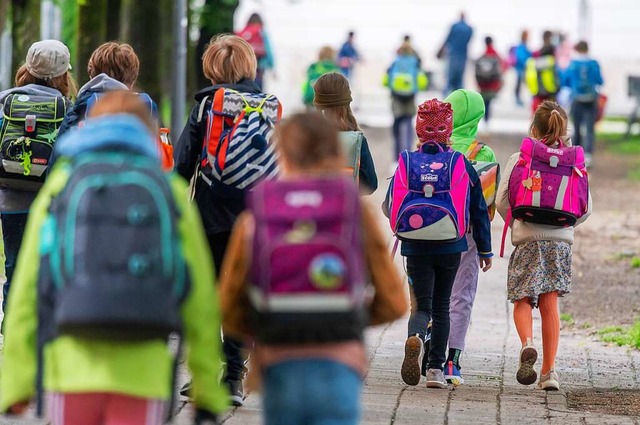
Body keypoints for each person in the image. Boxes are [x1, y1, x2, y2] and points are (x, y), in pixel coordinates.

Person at [0, 92, 228, 424]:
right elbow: (200, 298)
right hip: (144, 374)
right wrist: (207, 386)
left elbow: (28, 288)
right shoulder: (169, 192)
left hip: (70, 372)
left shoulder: (61, 186)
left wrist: (15, 384)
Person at [219, 111, 407, 425]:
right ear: (335, 151)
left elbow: (228, 305)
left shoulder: (259, 214)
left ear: (283, 154)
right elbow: (394, 301)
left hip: (277, 361)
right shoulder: (353, 210)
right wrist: (348, 319)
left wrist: (267, 327)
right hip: (339, 361)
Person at [174, 34, 277, 406]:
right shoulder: (269, 107)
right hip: (256, 215)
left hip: (210, 213)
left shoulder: (208, 105)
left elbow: (184, 162)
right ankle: (233, 376)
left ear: (213, 68)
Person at [384, 99, 493, 388]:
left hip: (415, 245)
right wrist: (485, 249)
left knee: (422, 305)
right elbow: (478, 210)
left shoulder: (407, 161)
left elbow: (389, 204)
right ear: (449, 131)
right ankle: (434, 370)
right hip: (450, 245)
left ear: (419, 131)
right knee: (443, 306)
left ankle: (416, 336)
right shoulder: (460, 163)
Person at [496, 101, 592, 391]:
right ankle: (549, 373)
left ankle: (527, 343)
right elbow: (585, 208)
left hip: (527, 239)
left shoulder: (521, 158)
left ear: (533, 128)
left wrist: (517, 224)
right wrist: (564, 225)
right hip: (559, 241)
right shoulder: (574, 162)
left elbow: (502, 201)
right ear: (565, 129)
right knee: (550, 304)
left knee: (522, 299)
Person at [0, 40, 76, 332]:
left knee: (15, 267)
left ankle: (12, 327)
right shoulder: (66, 108)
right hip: (51, 202)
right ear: (62, 75)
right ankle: (46, 328)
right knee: (49, 268)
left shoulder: (6, 100)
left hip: (11, 202)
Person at [442, 89, 498, 384]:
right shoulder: (483, 154)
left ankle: (427, 345)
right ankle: (452, 361)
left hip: (430, 234)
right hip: (467, 236)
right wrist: (487, 250)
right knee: (460, 296)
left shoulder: (433, 146)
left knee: (432, 293)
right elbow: (487, 206)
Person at [57, 42, 154, 139]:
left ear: (92, 75)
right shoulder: (147, 107)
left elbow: (60, 150)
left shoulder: (83, 106)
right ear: (133, 79)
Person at [313, 72, 378, 194]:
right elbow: (371, 184)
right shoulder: (357, 139)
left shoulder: (309, 137)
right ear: (347, 100)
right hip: (346, 208)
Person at [562, 41, 604, 167]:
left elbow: (565, 81)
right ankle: (588, 155)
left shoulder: (573, 64)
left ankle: (575, 154)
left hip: (577, 99)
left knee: (577, 127)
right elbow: (600, 81)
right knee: (590, 128)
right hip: (591, 99)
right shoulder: (593, 64)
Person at [385, 42, 427, 160]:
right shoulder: (415, 63)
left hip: (397, 98)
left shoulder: (395, 62)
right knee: (408, 126)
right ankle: (408, 155)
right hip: (410, 98)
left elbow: (386, 81)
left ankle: (395, 158)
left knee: (397, 127)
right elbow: (422, 82)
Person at [236, 13, 274, 91]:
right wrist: (271, 65)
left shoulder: (244, 32)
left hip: (243, 69)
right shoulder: (261, 32)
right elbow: (268, 50)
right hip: (258, 67)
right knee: (257, 91)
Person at [525, 30, 560, 115]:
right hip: (550, 94)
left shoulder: (534, 60)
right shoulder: (551, 62)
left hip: (536, 93)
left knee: (537, 120)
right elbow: (557, 78)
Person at [440, 12, 473, 96]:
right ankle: (460, 99)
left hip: (453, 55)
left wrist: (442, 49)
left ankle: (444, 100)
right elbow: (469, 41)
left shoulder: (454, 26)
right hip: (463, 56)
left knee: (449, 79)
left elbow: (448, 39)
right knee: (460, 80)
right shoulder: (469, 28)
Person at [475, 36, 504, 124]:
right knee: (488, 103)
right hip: (492, 85)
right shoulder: (495, 55)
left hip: (483, 85)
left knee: (485, 103)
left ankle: (484, 122)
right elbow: (501, 68)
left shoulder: (482, 56)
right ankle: (487, 122)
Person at [512, 30, 531, 107]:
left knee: (520, 84)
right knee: (520, 84)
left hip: (521, 68)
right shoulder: (522, 46)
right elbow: (521, 57)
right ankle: (518, 99)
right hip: (521, 68)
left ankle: (519, 98)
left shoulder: (523, 46)